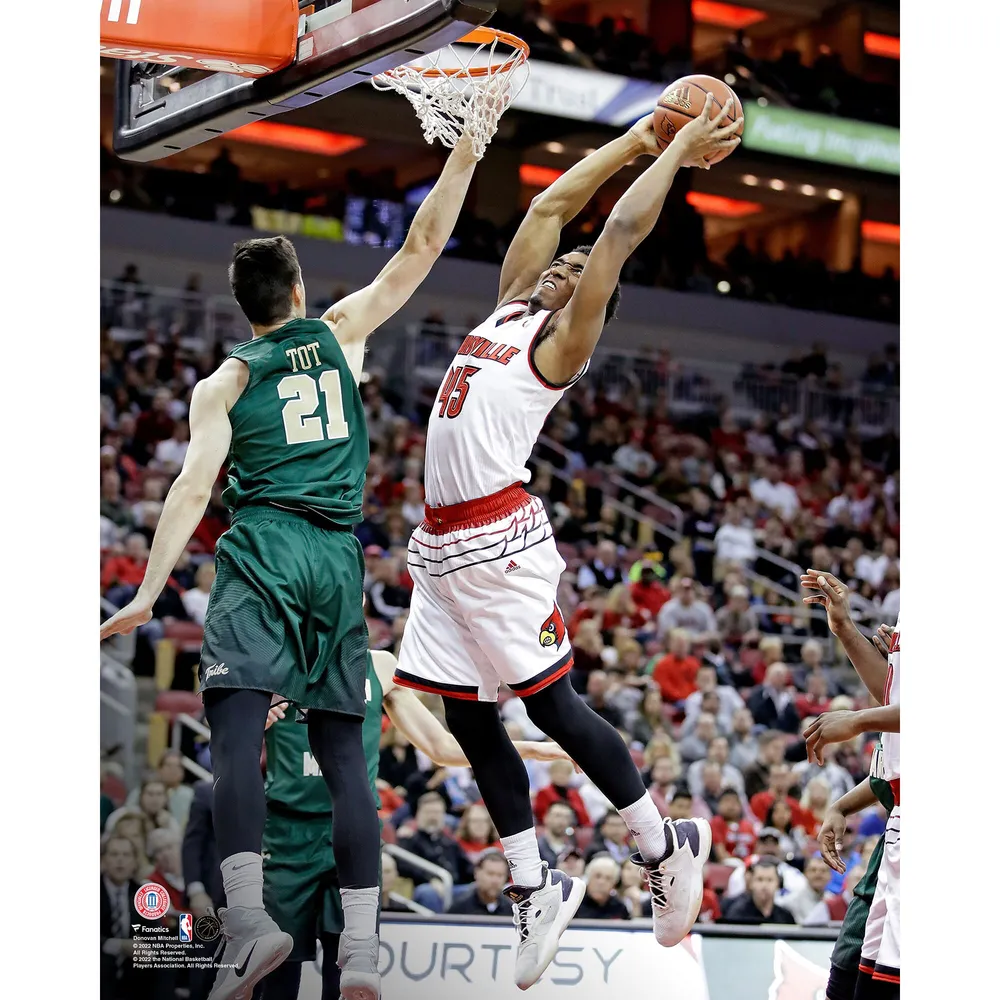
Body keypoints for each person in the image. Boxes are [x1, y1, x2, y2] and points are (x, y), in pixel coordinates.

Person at [100, 130, 486, 1000]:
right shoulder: (342, 331)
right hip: (337, 561)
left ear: (243, 308)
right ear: (301, 293)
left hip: (267, 549)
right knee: (347, 757)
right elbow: (423, 245)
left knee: (236, 737)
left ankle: (247, 926)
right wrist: (465, 151)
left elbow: (193, 491)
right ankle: (362, 950)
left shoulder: (226, 383)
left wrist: (149, 592)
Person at [391, 102, 739, 986]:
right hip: (439, 547)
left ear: (591, 306)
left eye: (582, 273)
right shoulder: (510, 308)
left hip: (498, 545)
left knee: (551, 708)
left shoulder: (559, 345)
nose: (567, 266)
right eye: (564, 267)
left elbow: (618, 230)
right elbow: (551, 212)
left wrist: (677, 156)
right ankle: (535, 883)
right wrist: (635, 138)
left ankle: (666, 844)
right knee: (471, 720)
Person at [259, 649, 570, 998]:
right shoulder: (277, 658)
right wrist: (256, 715)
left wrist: (530, 749)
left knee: (347, 976)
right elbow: (226, 729)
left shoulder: (379, 665)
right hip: (287, 833)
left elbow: (440, 747)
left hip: (354, 833)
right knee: (278, 976)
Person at [801, 581, 901, 999]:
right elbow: (894, 697)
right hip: (899, 815)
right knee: (853, 982)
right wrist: (844, 628)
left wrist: (859, 720)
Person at [722, 857, 796, 925]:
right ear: (751, 884)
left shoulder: (785, 916)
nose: (764, 885)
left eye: (770, 880)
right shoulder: (738, 914)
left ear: (778, 884)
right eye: (760, 879)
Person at [447, 851, 515, 916]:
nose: (495, 881)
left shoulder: (511, 910)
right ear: (476, 873)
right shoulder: (459, 908)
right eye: (490, 874)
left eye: (500, 875)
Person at [575, 856, 631, 920]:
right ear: (588, 878)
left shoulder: (619, 908)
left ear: (614, 884)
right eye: (597, 876)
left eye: (608, 878)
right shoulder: (575, 904)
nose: (601, 882)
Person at [783, 855, 832, 924]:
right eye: (813, 870)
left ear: (830, 876)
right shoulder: (792, 901)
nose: (818, 874)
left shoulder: (832, 900)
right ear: (805, 873)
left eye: (823, 871)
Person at [537, 802, 577, 870]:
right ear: (546, 818)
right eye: (558, 816)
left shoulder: (571, 849)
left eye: (567, 817)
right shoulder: (537, 847)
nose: (562, 821)